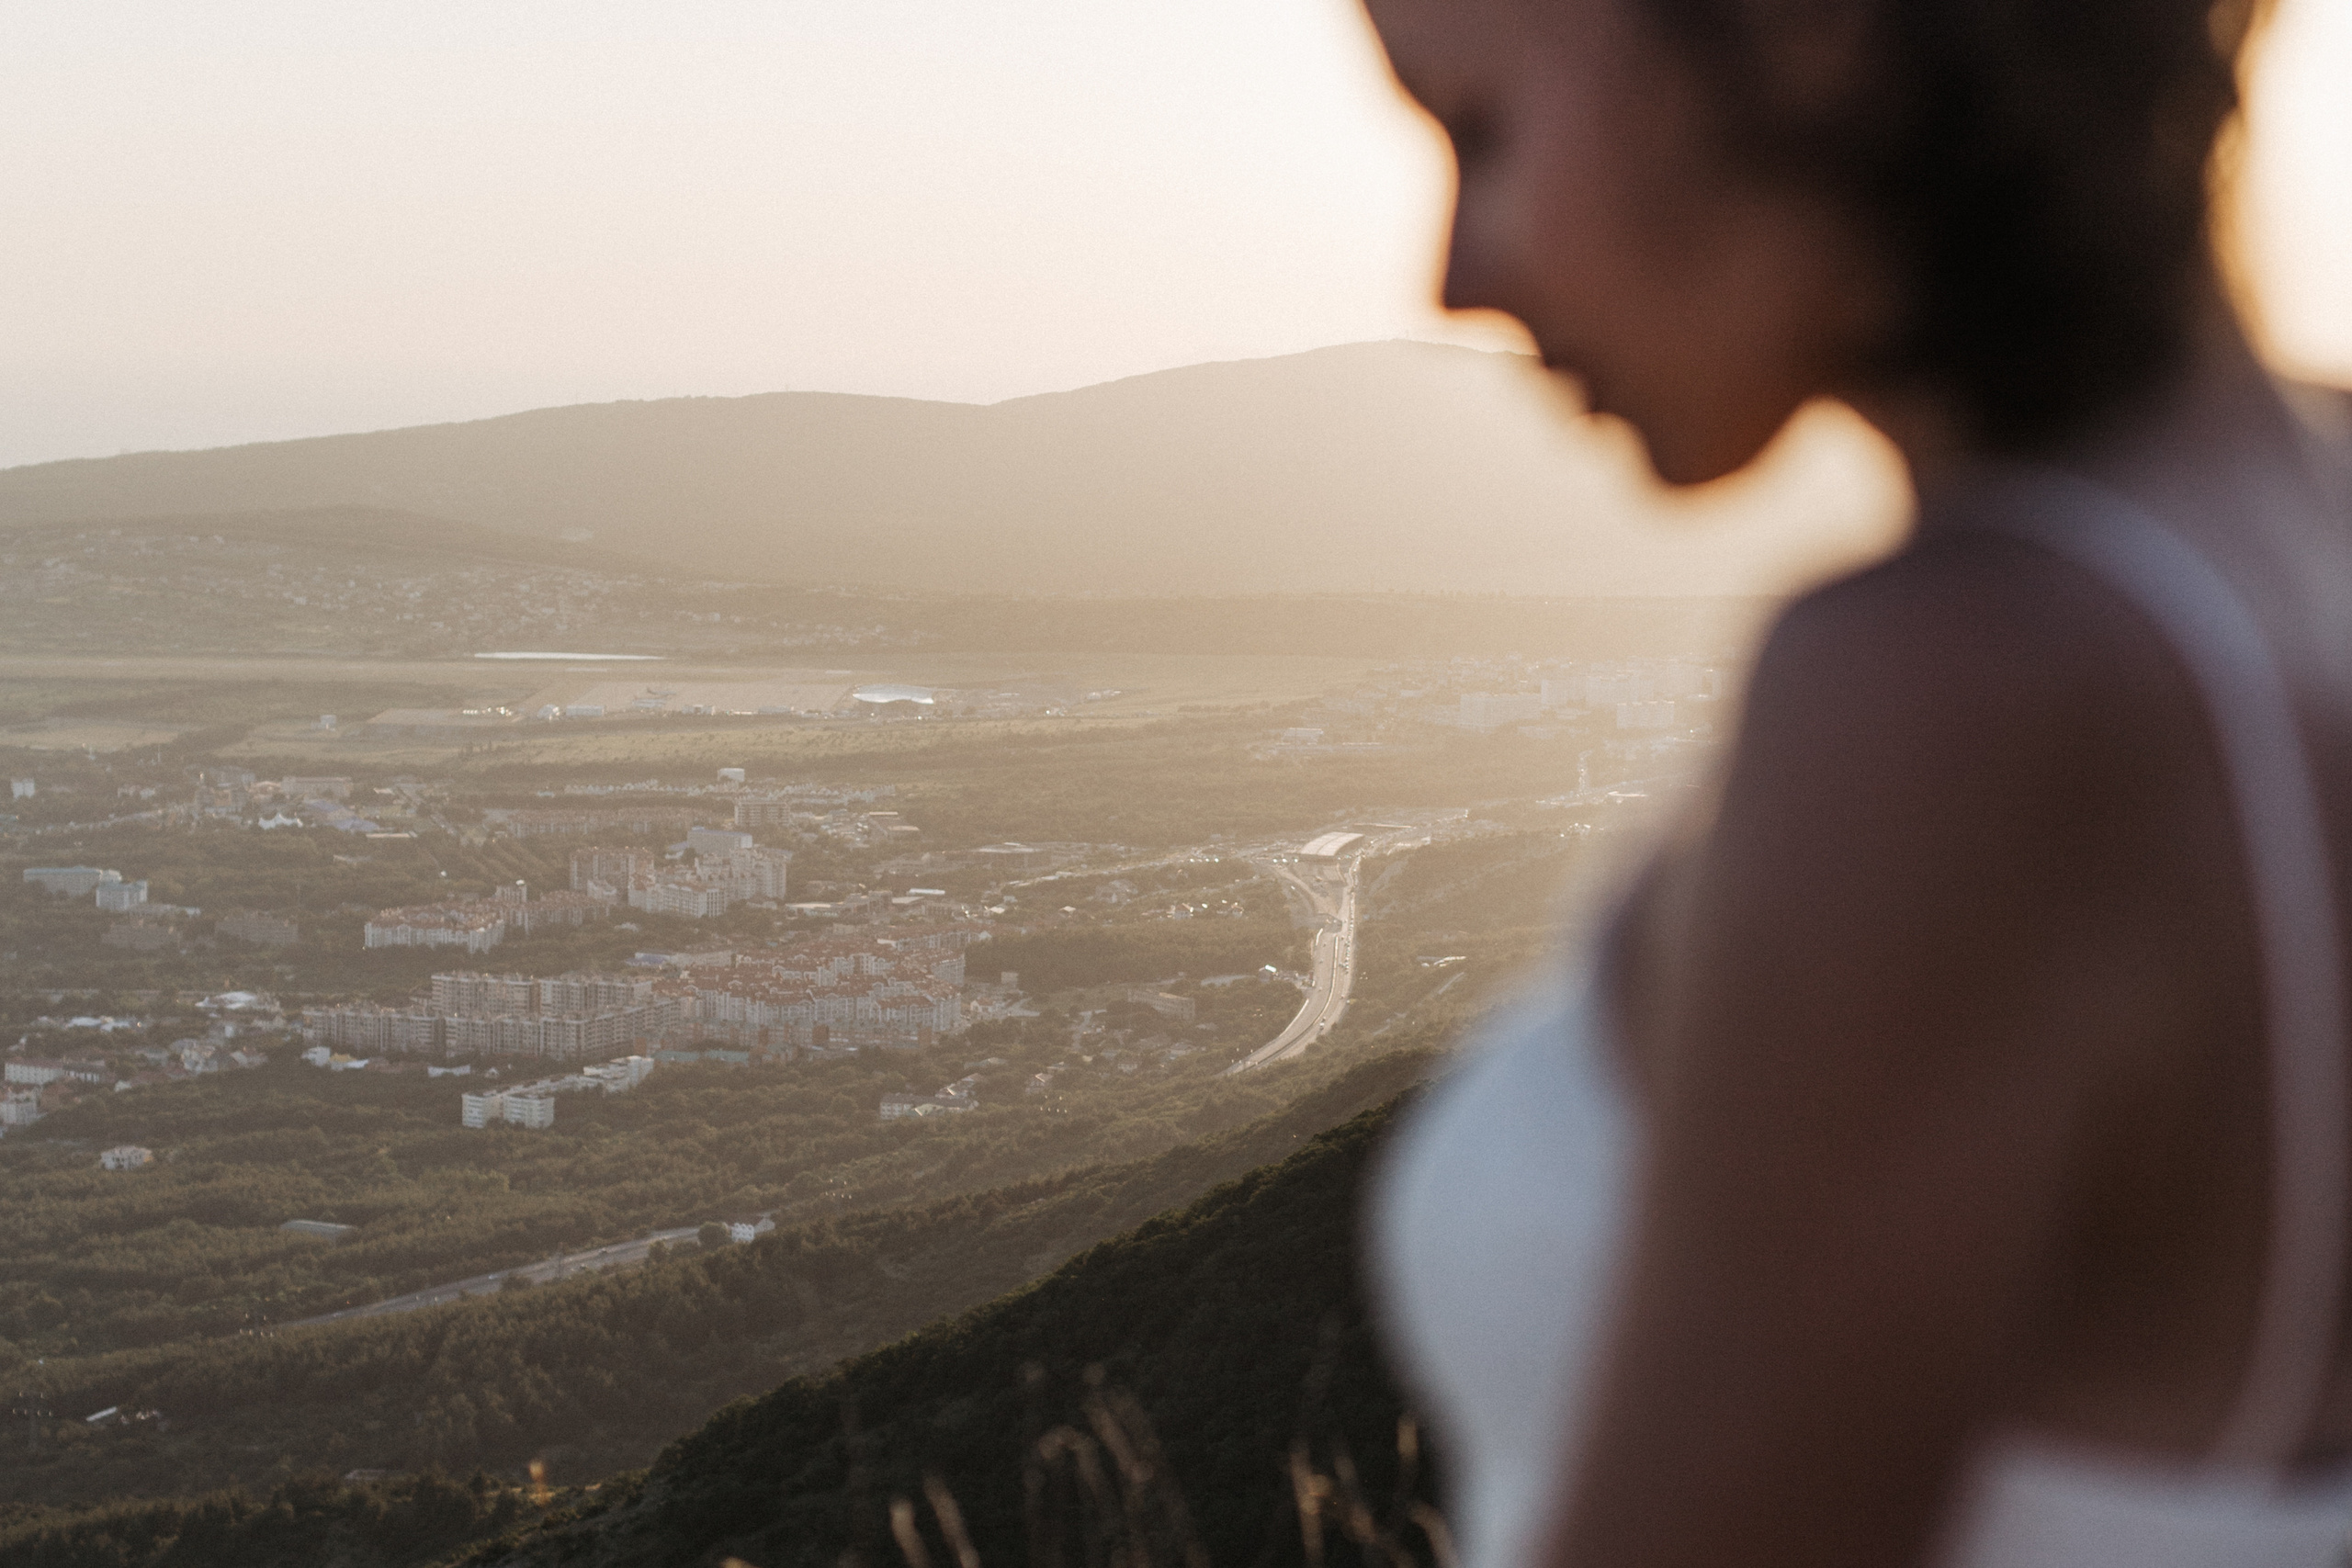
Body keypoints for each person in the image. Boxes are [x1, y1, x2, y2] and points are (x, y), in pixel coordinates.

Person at [1362, 2, 2352, 1566]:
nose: (1453, 274)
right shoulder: (2301, 536)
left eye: (1480, 130)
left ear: (1804, 34)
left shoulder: (1956, 697)